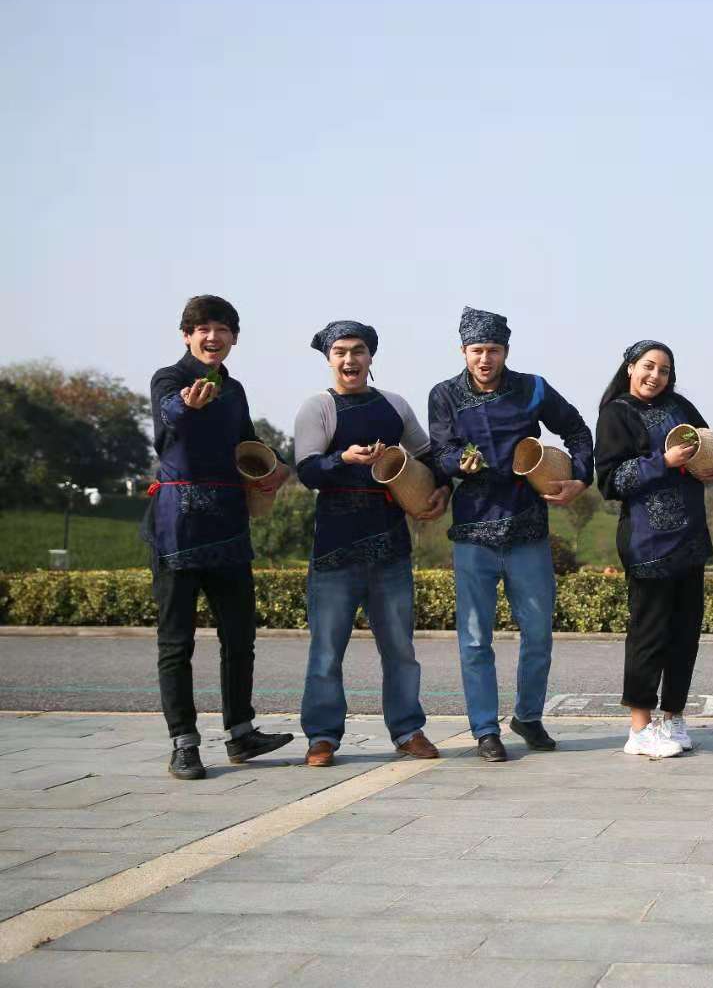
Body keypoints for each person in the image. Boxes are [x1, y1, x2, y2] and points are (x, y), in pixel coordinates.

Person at [427, 307, 593, 762]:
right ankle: (485, 729)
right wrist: (456, 462)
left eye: (494, 350)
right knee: (474, 639)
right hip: (472, 532)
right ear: (463, 351)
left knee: (538, 634)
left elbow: (576, 429)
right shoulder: (443, 394)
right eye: (477, 350)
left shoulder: (533, 387)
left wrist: (580, 476)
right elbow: (439, 450)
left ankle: (528, 716)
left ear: (506, 351)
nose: (485, 359)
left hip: (528, 528)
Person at [143, 295, 293, 780]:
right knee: (176, 642)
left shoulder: (235, 389)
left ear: (234, 338)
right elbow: (169, 420)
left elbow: (247, 442)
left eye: (222, 329)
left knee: (240, 636)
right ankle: (184, 744)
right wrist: (186, 405)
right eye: (203, 328)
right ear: (187, 335)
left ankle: (241, 733)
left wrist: (277, 464)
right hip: (177, 529)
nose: (213, 337)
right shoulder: (169, 379)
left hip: (228, 525)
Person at [293, 320, 449, 767]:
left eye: (358, 350)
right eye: (340, 352)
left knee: (400, 649)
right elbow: (307, 471)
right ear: (329, 359)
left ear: (370, 357)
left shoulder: (394, 405)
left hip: (390, 545)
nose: (350, 359)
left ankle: (408, 730)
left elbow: (428, 454)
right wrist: (342, 458)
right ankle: (322, 736)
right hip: (335, 547)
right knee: (326, 650)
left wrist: (444, 487)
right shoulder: (317, 408)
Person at [595, 340, 713, 758]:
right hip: (647, 543)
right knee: (649, 634)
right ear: (630, 368)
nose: (655, 376)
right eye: (648, 366)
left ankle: (673, 717)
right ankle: (639, 728)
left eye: (664, 370)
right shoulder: (616, 413)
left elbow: (708, 446)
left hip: (689, 540)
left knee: (685, 634)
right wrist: (664, 461)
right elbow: (611, 481)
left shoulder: (681, 407)